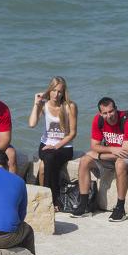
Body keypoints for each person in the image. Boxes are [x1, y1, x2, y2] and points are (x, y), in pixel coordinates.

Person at [71, 97, 128, 222]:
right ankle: (84, 205)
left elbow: (126, 153)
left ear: (116, 109)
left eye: (111, 111)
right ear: (100, 113)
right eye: (105, 113)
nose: (109, 115)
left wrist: (99, 155)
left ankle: (120, 208)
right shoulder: (98, 120)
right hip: (114, 153)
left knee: (121, 164)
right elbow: (94, 146)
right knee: (84, 160)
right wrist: (112, 149)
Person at [27, 76, 78, 211]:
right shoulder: (44, 105)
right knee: (48, 159)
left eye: (60, 91)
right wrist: (36, 103)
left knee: (48, 161)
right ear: (49, 90)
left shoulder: (70, 106)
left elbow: (72, 133)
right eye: (54, 90)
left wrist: (56, 146)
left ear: (64, 92)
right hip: (45, 144)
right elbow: (32, 124)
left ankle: (50, 198)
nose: (56, 94)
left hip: (64, 146)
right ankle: (53, 199)